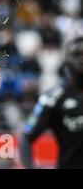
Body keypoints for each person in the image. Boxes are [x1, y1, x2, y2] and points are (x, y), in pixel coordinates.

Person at [20, 36, 83, 169]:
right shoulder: (52, 99)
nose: (81, 59)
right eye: (76, 54)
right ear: (66, 60)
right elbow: (26, 138)